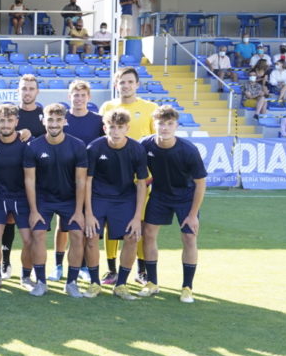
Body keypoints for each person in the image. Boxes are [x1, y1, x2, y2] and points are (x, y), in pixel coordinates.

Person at [139, 106, 206, 303]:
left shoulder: (188, 150)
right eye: (161, 123)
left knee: (189, 238)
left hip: (185, 197)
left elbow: (200, 183)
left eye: (169, 124)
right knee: (148, 234)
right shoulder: (145, 145)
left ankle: (187, 287)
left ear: (176, 126)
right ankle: (152, 282)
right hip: (160, 195)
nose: (165, 128)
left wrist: (193, 214)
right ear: (155, 124)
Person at [23, 103, 89, 298]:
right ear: (43, 121)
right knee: (38, 234)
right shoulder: (33, 147)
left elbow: (80, 180)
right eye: (50, 120)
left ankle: (71, 283)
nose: (54, 124)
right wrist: (34, 210)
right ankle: (41, 282)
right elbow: (30, 180)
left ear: (65, 121)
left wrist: (78, 210)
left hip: (69, 200)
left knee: (77, 235)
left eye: (58, 120)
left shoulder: (77, 145)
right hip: (43, 199)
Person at [83, 109, 148, 300]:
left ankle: (121, 285)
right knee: (91, 237)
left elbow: (142, 183)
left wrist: (137, 217)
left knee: (131, 237)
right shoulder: (94, 148)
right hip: (98, 198)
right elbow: (87, 180)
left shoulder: (136, 149)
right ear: (105, 128)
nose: (116, 131)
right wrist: (88, 213)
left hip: (124, 199)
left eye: (120, 127)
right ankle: (94, 283)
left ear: (127, 128)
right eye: (112, 127)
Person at [0, 103, 29, 290]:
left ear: (16, 122)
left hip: (21, 196)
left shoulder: (26, 141)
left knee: (29, 240)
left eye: (10, 120)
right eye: (2, 120)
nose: (5, 124)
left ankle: (26, 277)